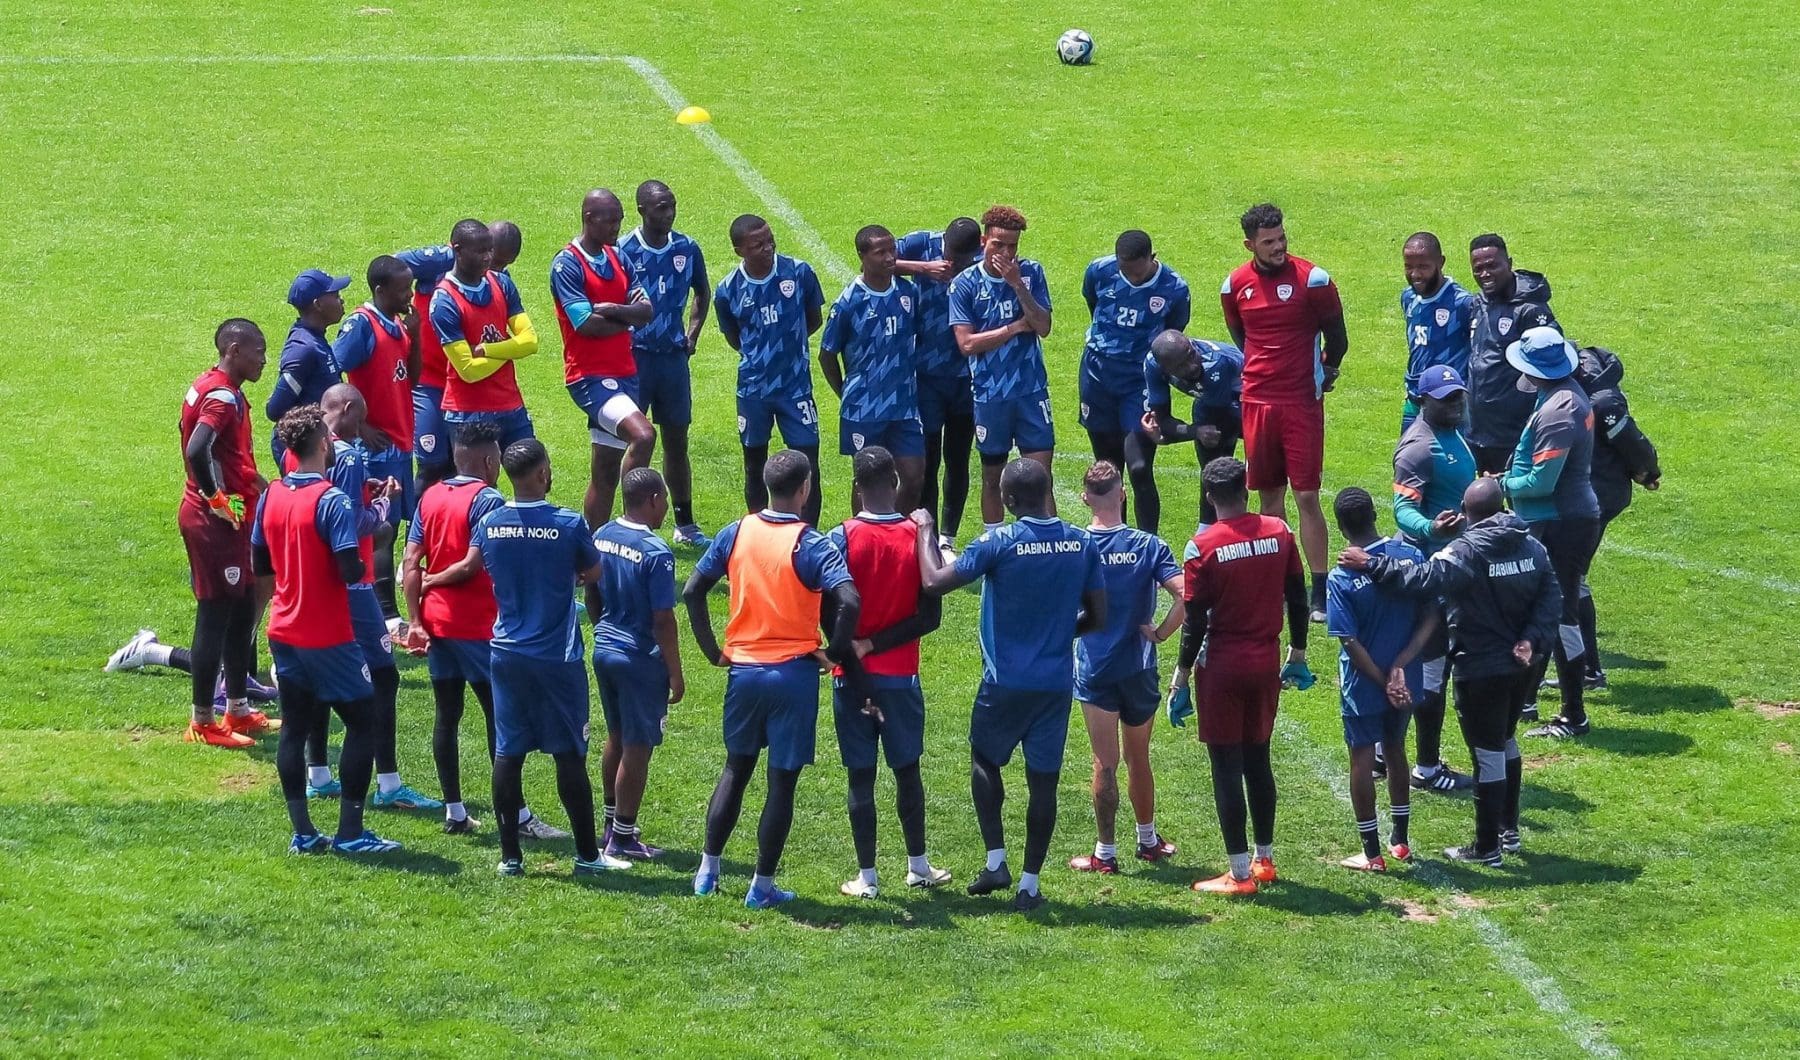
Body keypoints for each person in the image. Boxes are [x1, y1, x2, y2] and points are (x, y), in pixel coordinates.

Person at [913, 459, 1105, 912]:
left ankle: (996, 860)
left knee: (984, 758)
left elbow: (934, 581)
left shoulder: (1001, 541)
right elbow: (1100, 616)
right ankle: (1030, 884)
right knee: (1044, 784)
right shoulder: (1081, 543)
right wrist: (1058, 634)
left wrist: (925, 527)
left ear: (1010, 501)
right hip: (1055, 684)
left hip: (1004, 683)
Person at [1341, 478, 1561, 865]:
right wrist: (1530, 638)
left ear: (1465, 509)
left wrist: (1371, 563)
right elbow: (1551, 597)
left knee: (1489, 754)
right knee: (1507, 742)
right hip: (1524, 664)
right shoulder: (1533, 546)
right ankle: (1509, 832)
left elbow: (1424, 581)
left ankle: (1487, 847)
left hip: (1482, 668)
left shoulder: (1466, 551)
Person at [423, 439, 619, 876]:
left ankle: (510, 857)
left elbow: (482, 564)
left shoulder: (491, 523)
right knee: (569, 754)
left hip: (506, 651)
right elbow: (594, 571)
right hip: (556, 656)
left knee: (509, 753)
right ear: (543, 473)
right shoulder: (568, 524)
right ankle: (588, 854)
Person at [683, 450, 861, 908]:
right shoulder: (812, 544)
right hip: (793, 675)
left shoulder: (736, 532)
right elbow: (850, 601)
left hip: (744, 673)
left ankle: (707, 870)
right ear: (804, 489)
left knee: (735, 769)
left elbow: (692, 590)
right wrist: (835, 653)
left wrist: (712, 651)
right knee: (781, 782)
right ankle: (761, 887)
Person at [403, 422, 566, 838]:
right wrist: (436, 580)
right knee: (502, 722)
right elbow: (473, 564)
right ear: (489, 460)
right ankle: (518, 817)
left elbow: (409, 564)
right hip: (475, 626)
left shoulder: (431, 495)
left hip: (438, 624)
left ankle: (455, 811)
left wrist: (417, 619)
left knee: (447, 716)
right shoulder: (488, 499)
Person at [253, 405, 400, 855]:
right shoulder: (332, 500)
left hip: (283, 629)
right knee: (365, 722)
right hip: (327, 634)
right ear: (321, 445)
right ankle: (351, 834)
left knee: (295, 728)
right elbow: (348, 568)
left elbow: (261, 562)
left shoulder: (272, 494)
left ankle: (304, 832)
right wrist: (379, 516)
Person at [284, 385, 439, 811]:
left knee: (315, 682)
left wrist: (363, 491)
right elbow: (350, 522)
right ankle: (388, 784)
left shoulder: (294, 452)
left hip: (306, 585)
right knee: (384, 678)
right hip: (354, 585)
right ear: (348, 410)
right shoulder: (349, 455)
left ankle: (318, 774)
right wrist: (383, 508)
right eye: (362, 415)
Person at [1172, 457, 1313, 895]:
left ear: (1210, 497)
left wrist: (1178, 678)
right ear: (1247, 490)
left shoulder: (1203, 546)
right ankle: (1264, 859)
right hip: (1265, 661)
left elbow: (1194, 622)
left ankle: (1237, 874)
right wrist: (1299, 652)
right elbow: (1297, 597)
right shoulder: (1279, 531)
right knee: (1259, 760)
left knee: (1226, 768)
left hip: (1222, 667)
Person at [824, 447, 951, 897]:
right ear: (896, 483)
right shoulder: (918, 538)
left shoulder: (840, 537)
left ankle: (868, 878)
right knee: (907, 770)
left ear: (857, 488)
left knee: (860, 775)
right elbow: (929, 618)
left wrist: (850, 650)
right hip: (901, 678)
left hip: (850, 679)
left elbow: (829, 610)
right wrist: (876, 644)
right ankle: (918, 866)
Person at [1220, 203, 1347, 621]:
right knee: (1268, 495)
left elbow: (1338, 337)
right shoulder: (1234, 285)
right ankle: (1277, 580)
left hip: (1300, 403)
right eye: (1268, 241)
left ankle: (1320, 590)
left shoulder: (1313, 279)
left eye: (1281, 238)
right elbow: (1242, 336)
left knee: (1307, 495)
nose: (1278, 247)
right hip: (1257, 401)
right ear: (1250, 244)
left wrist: (1323, 372)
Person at [1067, 462, 1184, 874]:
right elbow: (1187, 593)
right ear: (1123, 495)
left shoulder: (1076, 546)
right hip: (1139, 667)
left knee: (1105, 762)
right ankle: (1147, 840)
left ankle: (1105, 852)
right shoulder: (1149, 545)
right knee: (1139, 757)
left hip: (1095, 668)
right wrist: (1163, 633)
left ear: (1085, 498)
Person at [175, 318, 275, 747]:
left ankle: (236, 709)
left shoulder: (208, 385)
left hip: (231, 515)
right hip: (215, 520)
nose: (264, 360)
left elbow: (215, 450)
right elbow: (198, 448)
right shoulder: (222, 397)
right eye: (258, 351)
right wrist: (215, 497)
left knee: (237, 613)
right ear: (234, 349)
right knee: (215, 615)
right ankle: (202, 719)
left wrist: (249, 480)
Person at [1325, 488, 1437, 872]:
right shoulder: (1411, 557)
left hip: (1363, 685)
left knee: (1361, 757)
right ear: (1376, 515)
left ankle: (1371, 853)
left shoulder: (1341, 576)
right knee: (1395, 749)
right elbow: (1430, 617)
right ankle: (1401, 842)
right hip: (1405, 681)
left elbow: (1349, 641)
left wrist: (1381, 678)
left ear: (1341, 527)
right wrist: (1400, 668)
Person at [1499, 328, 1602, 740]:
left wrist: (1500, 485)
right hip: (1564, 519)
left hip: (1559, 522)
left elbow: (1542, 480)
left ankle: (1573, 714)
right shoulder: (1564, 393)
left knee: (1561, 617)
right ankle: (1533, 701)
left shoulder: (1559, 409)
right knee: (1558, 612)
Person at [586, 468, 687, 862]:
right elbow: (663, 619)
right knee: (638, 745)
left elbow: (591, 590)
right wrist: (676, 672)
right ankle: (624, 836)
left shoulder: (603, 535)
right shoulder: (657, 554)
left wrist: (602, 629)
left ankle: (611, 824)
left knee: (616, 735)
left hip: (606, 648)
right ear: (653, 500)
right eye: (663, 499)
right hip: (639, 659)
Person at [1392, 365, 1478, 792]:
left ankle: (1382, 753)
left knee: (1429, 667)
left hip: (1449, 564)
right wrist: (1432, 529)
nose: (1456, 403)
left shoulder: (1451, 433)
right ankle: (1426, 766)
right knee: (1430, 669)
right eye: (1447, 398)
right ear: (1425, 401)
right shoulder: (1419, 449)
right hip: (1430, 572)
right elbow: (1402, 510)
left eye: (1458, 395)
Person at [552, 188, 658, 529]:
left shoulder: (618, 258)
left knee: (605, 472)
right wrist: (628, 318)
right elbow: (586, 324)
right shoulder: (567, 264)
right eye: (610, 220)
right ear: (588, 218)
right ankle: (630, 527)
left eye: (619, 220)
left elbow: (647, 311)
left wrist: (613, 310)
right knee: (643, 436)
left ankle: (591, 553)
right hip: (590, 377)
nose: (616, 227)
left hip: (624, 373)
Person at [618, 180, 713, 547]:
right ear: (642, 209)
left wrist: (692, 334)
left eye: (672, 205)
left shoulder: (687, 248)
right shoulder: (624, 249)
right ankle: (631, 520)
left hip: (672, 359)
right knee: (634, 441)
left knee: (677, 440)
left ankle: (685, 522)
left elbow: (702, 291)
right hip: (635, 358)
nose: (669, 213)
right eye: (661, 207)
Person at [714, 214, 827, 526]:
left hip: (796, 387)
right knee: (754, 463)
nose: (768, 247)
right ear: (740, 250)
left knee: (807, 464)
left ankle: (808, 534)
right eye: (757, 244)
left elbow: (813, 319)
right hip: (753, 390)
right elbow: (734, 336)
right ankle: (759, 533)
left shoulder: (799, 272)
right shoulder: (728, 289)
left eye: (769, 239)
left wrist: (789, 350)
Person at [949, 205, 1056, 530]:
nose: (1006, 253)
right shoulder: (964, 284)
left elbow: (1042, 326)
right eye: (999, 245)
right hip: (990, 395)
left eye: (1012, 246)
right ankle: (995, 542)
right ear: (984, 241)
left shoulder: (1031, 273)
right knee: (992, 475)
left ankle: (1049, 544)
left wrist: (1018, 286)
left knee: (1040, 475)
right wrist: (1013, 328)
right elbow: (967, 344)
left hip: (1031, 390)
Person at [1079, 231, 1192, 529]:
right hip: (1097, 375)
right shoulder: (1100, 270)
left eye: (1137, 271)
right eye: (1124, 269)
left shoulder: (1174, 288)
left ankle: (1148, 546)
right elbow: (1092, 301)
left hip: (1139, 380)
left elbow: (1172, 334)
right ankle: (1116, 538)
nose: (1130, 276)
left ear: (1151, 258)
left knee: (1140, 467)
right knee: (1106, 467)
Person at [399, 227, 522, 492]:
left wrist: (499, 350)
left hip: (472, 387)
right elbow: (392, 267)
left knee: (475, 467)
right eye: (490, 257)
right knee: (432, 464)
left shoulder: (496, 281)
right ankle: (418, 530)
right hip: (431, 381)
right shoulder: (437, 262)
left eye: (502, 263)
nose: (493, 266)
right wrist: (400, 311)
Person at [334, 255, 420, 626]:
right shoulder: (361, 325)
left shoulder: (398, 324)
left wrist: (414, 337)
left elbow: (409, 379)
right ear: (381, 290)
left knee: (395, 523)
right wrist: (361, 424)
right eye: (404, 289)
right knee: (377, 527)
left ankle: (384, 610)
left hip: (400, 441)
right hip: (375, 446)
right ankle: (384, 614)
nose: (410, 294)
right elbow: (331, 372)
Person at [1572, 346, 1661, 688]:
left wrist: (1648, 470)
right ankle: (1585, 668)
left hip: (1595, 496)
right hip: (1594, 492)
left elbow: (1632, 442)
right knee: (1570, 579)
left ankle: (1588, 670)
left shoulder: (1603, 402)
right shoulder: (1593, 394)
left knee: (1571, 579)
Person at [819, 225, 924, 512]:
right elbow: (827, 354)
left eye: (892, 250)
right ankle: (861, 537)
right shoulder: (848, 302)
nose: (890, 257)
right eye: (881, 252)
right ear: (862, 256)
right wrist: (846, 393)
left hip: (904, 405)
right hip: (864, 408)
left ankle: (897, 533)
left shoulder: (908, 293)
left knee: (914, 476)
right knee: (865, 479)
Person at [895, 218, 981, 560]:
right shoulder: (920, 243)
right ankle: (926, 536)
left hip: (965, 375)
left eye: (962, 260)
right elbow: (877, 260)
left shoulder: (980, 260)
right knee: (927, 459)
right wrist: (923, 268)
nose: (955, 264)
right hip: (926, 373)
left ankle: (948, 537)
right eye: (951, 257)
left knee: (958, 458)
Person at [429, 218, 539, 451]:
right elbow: (469, 370)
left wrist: (487, 350)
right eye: (480, 251)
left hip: (510, 403)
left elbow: (530, 342)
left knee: (536, 475)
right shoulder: (444, 301)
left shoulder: (502, 283)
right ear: (457, 250)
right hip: (468, 413)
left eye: (490, 250)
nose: (488, 257)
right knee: (479, 485)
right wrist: (511, 349)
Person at [1466, 234, 1559, 473]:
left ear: (1509, 262)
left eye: (1492, 266)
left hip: (1512, 431)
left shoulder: (1530, 309)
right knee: (1479, 501)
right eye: (1478, 268)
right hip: (1476, 428)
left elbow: (1551, 361)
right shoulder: (1479, 303)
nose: (1485, 274)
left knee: (1515, 500)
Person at [1139, 330, 1245, 529]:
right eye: (1181, 366)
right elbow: (1163, 419)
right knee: (1211, 467)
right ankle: (1208, 529)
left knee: (1223, 465)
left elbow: (1219, 429)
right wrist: (1192, 432)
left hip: (1248, 402)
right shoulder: (1153, 364)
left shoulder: (1216, 364)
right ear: (1166, 368)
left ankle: (1233, 527)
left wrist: (1167, 438)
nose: (1192, 365)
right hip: (1217, 403)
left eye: (1191, 354)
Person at [265, 269, 350, 464]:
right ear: (318, 304)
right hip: (303, 451)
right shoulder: (304, 349)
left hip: (316, 444)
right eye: (335, 295)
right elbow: (275, 409)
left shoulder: (315, 338)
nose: (341, 300)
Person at [1399, 232, 1477, 433]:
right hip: (1415, 397)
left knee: (1453, 461)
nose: (1415, 274)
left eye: (1423, 267)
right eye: (1409, 267)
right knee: (1408, 458)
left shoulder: (1463, 303)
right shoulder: (1408, 297)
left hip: (1449, 403)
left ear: (1440, 262)